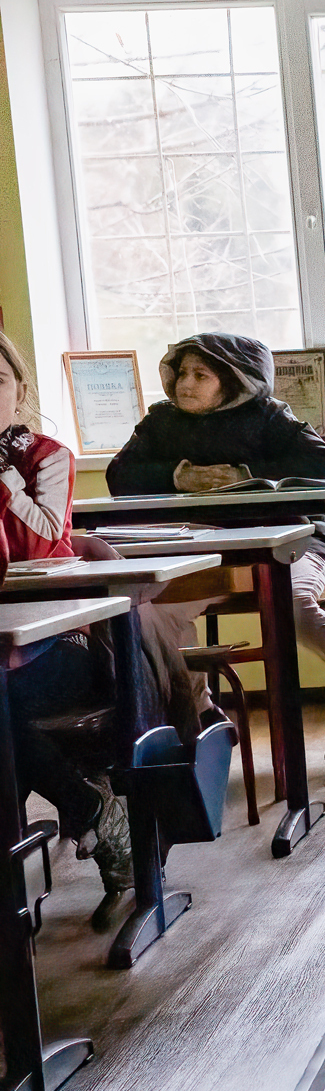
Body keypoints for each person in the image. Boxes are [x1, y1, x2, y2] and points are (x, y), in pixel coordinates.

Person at [104, 334, 325, 735]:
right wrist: (179, 476)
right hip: (204, 553)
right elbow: (119, 475)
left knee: (290, 601)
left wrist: (247, 475)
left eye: (200, 374)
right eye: (181, 373)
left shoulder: (273, 417)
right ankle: (201, 712)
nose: (184, 384)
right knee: (152, 611)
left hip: (293, 545)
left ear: (233, 380)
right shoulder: (160, 422)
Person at [0, 330, 136, 920]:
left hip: (58, 640)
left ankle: (81, 813)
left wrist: (4, 482)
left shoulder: (46, 455)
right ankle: (85, 805)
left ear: (20, 390)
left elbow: (44, 540)